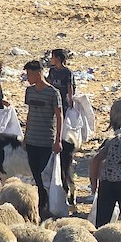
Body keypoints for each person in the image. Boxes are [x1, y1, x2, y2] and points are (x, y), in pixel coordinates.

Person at [22, 60, 62, 219]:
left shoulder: (53, 93)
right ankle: (40, 206)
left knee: (44, 176)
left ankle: (44, 207)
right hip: (32, 140)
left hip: (46, 141)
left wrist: (58, 140)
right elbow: (30, 113)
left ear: (39, 73)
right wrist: (25, 136)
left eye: (30, 74)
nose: (28, 77)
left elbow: (59, 116)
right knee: (35, 175)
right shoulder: (29, 91)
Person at [46, 49, 76, 206]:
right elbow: (49, 84)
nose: (51, 59)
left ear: (58, 58)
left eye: (53, 57)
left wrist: (71, 102)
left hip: (63, 105)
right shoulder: (52, 71)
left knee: (63, 127)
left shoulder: (67, 73)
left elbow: (70, 88)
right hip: (53, 103)